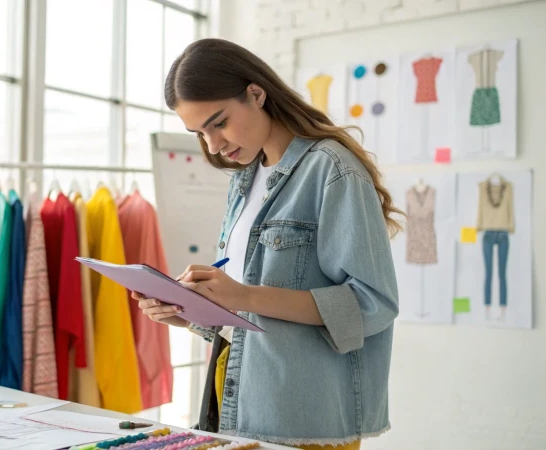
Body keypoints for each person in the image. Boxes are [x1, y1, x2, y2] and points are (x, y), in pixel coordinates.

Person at [133, 38, 403, 450]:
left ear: (256, 94)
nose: (213, 145)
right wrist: (188, 314)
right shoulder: (244, 181)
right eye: (199, 133)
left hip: (302, 420)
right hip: (233, 402)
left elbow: (372, 304)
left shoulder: (331, 170)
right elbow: (252, 321)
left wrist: (243, 295)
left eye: (218, 123)